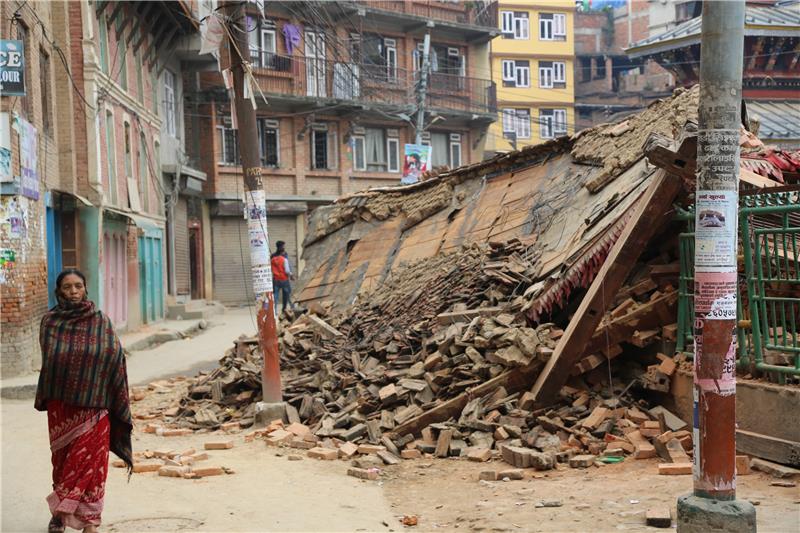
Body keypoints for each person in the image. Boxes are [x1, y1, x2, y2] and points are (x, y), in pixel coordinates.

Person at [35, 269, 133, 533]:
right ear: (59, 292)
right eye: (67, 287)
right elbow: (53, 361)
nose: (74, 291)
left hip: (96, 404)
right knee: (65, 462)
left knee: (93, 464)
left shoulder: (100, 321)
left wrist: (102, 374)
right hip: (62, 407)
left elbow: (115, 354)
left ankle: (89, 522)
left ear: (86, 288)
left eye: (78, 286)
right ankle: (59, 515)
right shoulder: (51, 322)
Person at [270, 240, 294, 313]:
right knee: (288, 294)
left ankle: (275, 311)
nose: (284, 247)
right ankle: (292, 308)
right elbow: (287, 268)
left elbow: (271, 267)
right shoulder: (284, 257)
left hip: (276, 279)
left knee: (275, 296)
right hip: (284, 279)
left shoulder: (273, 257)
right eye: (283, 246)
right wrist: (291, 274)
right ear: (280, 247)